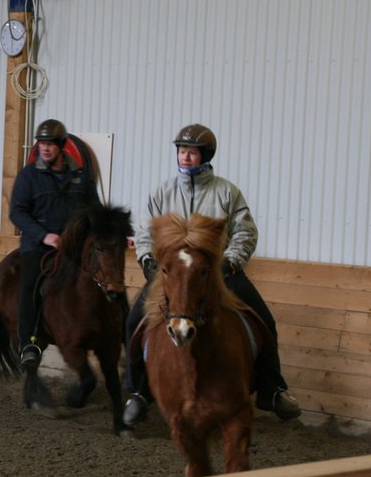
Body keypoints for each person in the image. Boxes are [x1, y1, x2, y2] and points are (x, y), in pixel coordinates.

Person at [123, 123, 301, 425]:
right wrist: (148, 260)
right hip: (173, 274)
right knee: (133, 321)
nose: (185, 157)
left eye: (191, 152)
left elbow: (245, 232)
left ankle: (272, 389)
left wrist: (230, 262)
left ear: (205, 155)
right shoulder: (162, 192)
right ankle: (138, 391)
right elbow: (144, 231)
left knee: (264, 319)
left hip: (218, 272)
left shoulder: (226, 192)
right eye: (181, 151)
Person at [8, 118, 101, 369]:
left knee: (105, 279)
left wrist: (110, 233)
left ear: (61, 146)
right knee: (29, 286)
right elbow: (17, 212)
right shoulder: (28, 176)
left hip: (74, 247)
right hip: (37, 247)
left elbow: (95, 210)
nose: (45, 148)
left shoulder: (81, 177)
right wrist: (43, 235)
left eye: (50, 144)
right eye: (42, 144)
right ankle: (29, 343)